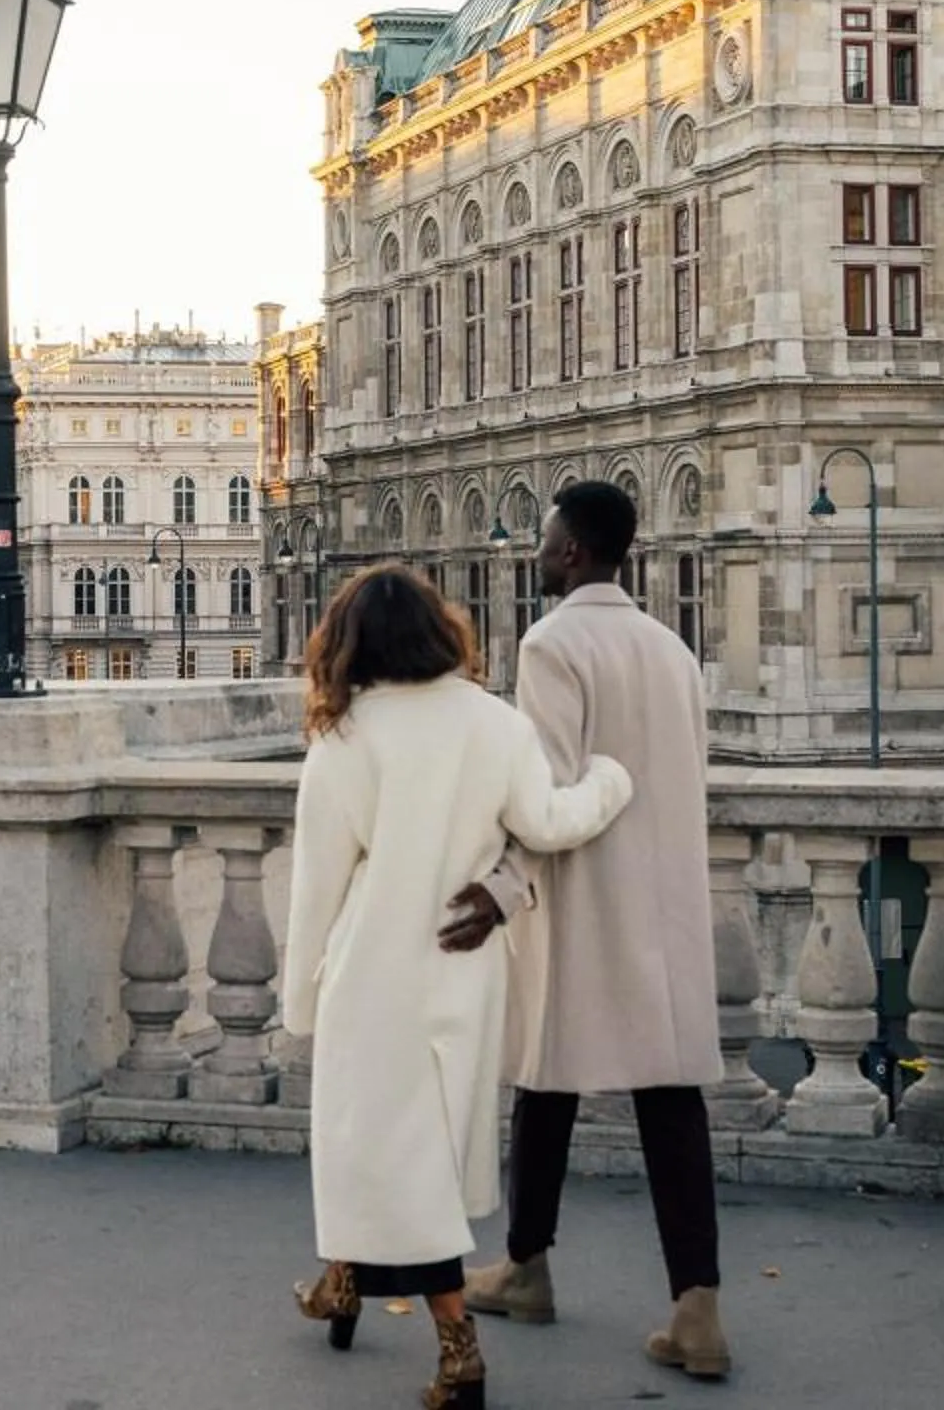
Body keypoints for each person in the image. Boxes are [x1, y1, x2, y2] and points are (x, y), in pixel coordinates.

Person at [281, 563, 636, 1410]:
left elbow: (316, 887)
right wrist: (611, 782)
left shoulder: (347, 739)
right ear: (443, 632)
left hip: (374, 971)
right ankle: (341, 1281)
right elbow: (548, 825)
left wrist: (299, 999)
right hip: (463, 966)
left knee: (371, 1147)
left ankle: (458, 1351)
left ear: (348, 640)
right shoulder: (493, 722)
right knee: (427, 1149)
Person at [444, 480, 731, 1379]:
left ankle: (527, 1268)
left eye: (544, 536)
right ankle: (699, 1309)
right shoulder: (671, 649)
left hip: (582, 900)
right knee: (670, 1099)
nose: (535, 550)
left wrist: (501, 888)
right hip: (668, 900)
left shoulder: (552, 642)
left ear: (572, 552)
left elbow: (549, 792)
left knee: (547, 1084)